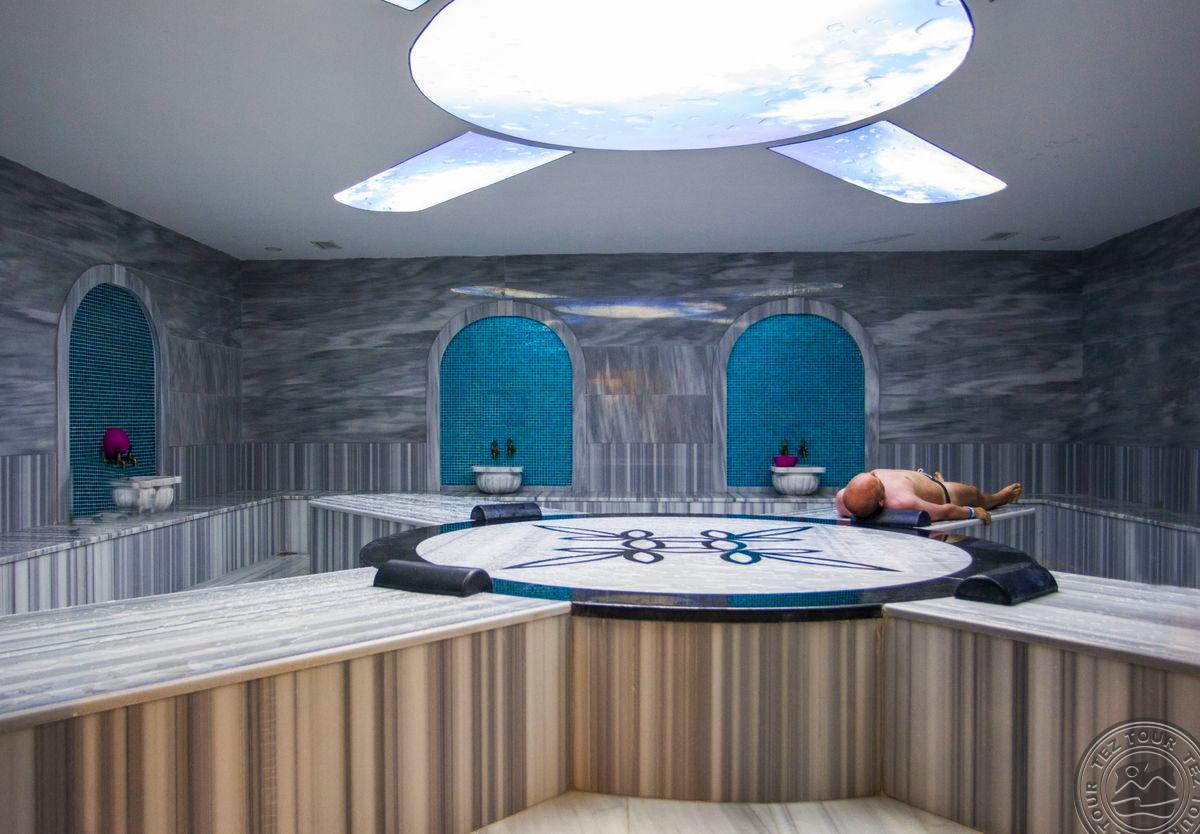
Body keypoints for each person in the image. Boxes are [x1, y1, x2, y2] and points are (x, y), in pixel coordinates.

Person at [835, 468, 1022, 524]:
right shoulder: (903, 502)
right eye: (877, 481)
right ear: (882, 501)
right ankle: (997, 498)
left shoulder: (843, 499)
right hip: (943, 492)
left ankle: (929, 480)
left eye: (871, 474)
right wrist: (973, 512)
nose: (875, 474)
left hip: (917, 480)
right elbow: (944, 511)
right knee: (974, 494)